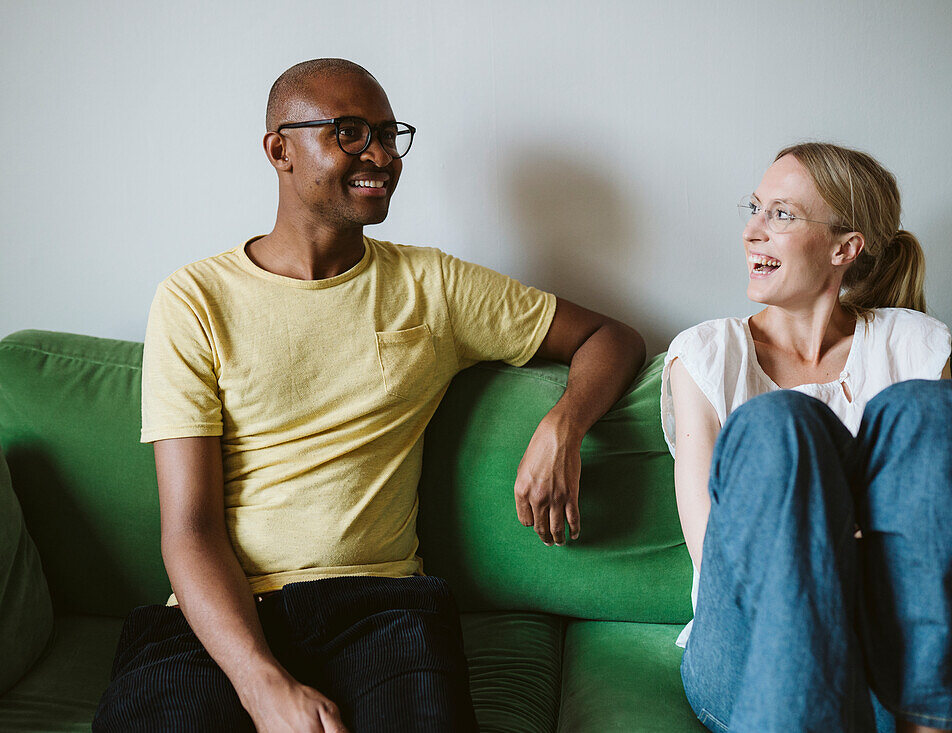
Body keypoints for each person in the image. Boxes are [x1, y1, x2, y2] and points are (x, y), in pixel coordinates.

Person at [93, 58, 645, 733]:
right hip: (217, 621)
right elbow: (189, 528)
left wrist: (564, 423)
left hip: (380, 610)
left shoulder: (434, 286)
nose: (381, 155)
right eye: (350, 133)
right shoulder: (195, 299)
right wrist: (263, 685)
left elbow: (610, 337)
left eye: (389, 134)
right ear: (280, 150)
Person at [661, 142, 952, 733]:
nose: (752, 231)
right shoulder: (707, 355)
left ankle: (928, 724)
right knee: (780, 424)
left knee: (935, 412)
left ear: (844, 248)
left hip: (896, 655)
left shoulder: (912, 345)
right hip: (750, 650)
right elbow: (717, 557)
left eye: (781, 214)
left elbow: (939, 530)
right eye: (755, 209)